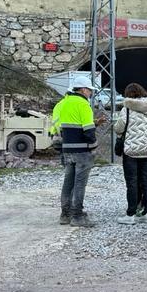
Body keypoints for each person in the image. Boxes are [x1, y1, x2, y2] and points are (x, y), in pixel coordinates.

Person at [49, 76, 98, 227]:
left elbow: (60, 127)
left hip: (67, 149)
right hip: (82, 151)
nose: (90, 93)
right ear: (83, 89)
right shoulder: (83, 104)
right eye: (90, 90)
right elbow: (88, 131)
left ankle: (65, 214)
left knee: (68, 182)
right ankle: (77, 216)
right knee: (80, 184)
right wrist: (94, 144)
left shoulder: (63, 103)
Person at [114, 83, 147, 225]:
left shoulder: (127, 109)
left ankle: (131, 214)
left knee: (132, 182)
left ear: (129, 95)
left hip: (131, 151)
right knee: (146, 180)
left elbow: (119, 129)